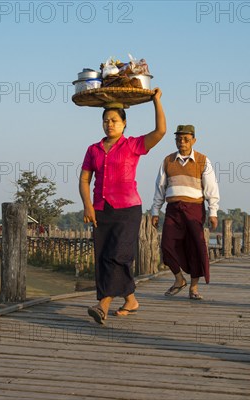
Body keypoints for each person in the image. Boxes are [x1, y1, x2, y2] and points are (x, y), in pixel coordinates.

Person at [80, 88, 166, 324]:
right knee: (104, 256)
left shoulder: (133, 145)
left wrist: (156, 101)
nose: (109, 124)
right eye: (106, 121)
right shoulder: (93, 150)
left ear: (124, 123)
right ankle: (131, 299)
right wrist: (88, 205)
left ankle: (103, 305)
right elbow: (85, 179)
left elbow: (160, 131)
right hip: (100, 210)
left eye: (114, 120)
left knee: (118, 255)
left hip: (128, 209)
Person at [151, 124, 220, 300]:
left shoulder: (203, 160)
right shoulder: (168, 161)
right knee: (166, 245)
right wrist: (155, 211)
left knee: (195, 247)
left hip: (194, 209)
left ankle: (194, 288)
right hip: (173, 209)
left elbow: (211, 188)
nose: (182, 142)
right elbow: (160, 188)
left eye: (186, 139)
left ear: (193, 141)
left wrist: (213, 212)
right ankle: (179, 279)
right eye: (179, 139)